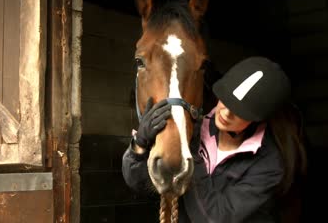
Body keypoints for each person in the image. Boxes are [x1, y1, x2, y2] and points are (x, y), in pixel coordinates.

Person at [122, 56, 294, 222]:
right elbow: (141, 185)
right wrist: (140, 145)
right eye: (225, 101)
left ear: (257, 120)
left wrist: (192, 152)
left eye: (239, 112)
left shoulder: (268, 165)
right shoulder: (193, 128)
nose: (226, 113)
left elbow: (214, 218)